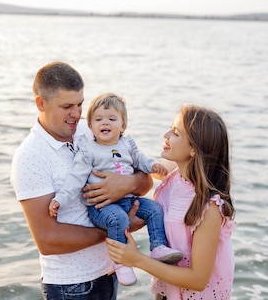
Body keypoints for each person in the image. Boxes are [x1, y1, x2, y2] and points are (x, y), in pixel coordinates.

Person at [10, 62, 154, 300]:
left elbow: (145, 179)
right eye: (67, 106)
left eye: (79, 104)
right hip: (72, 286)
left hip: (109, 271)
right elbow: (47, 240)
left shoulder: (91, 129)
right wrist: (116, 229)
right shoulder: (29, 157)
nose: (77, 114)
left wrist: (126, 184)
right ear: (40, 104)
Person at [48, 93, 183, 286]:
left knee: (155, 209)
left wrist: (153, 165)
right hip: (101, 208)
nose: (105, 123)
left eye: (112, 119)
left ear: (123, 125)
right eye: (99, 119)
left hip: (127, 200)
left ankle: (158, 247)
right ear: (90, 126)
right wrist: (60, 199)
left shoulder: (127, 144)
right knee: (118, 219)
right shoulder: (88, 150)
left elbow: (140, 160)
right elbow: (75, 180)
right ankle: (120, 263)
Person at [106, 105, 236, 300]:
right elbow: (138, 168)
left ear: (193, 149)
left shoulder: (209, 207)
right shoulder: (175, 172)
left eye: (175, 132)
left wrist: (137, 259)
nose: (165, 134)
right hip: (167, 292)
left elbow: (198, 280)